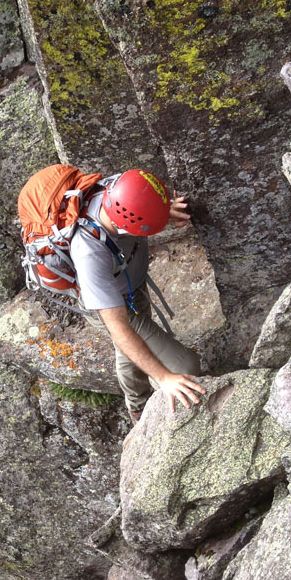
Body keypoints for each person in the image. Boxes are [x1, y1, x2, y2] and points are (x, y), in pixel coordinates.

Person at [69, 168, 206, 423]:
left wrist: (167, 210)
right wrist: (165, 379)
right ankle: (140, 408)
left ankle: (136, 403)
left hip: (130, 283)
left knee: (129, 348)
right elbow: (119, 328)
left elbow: (147, 198)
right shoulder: (90, 254)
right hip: (112, 304)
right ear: (126, 226)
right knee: (185, 368)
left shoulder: (124, 187)